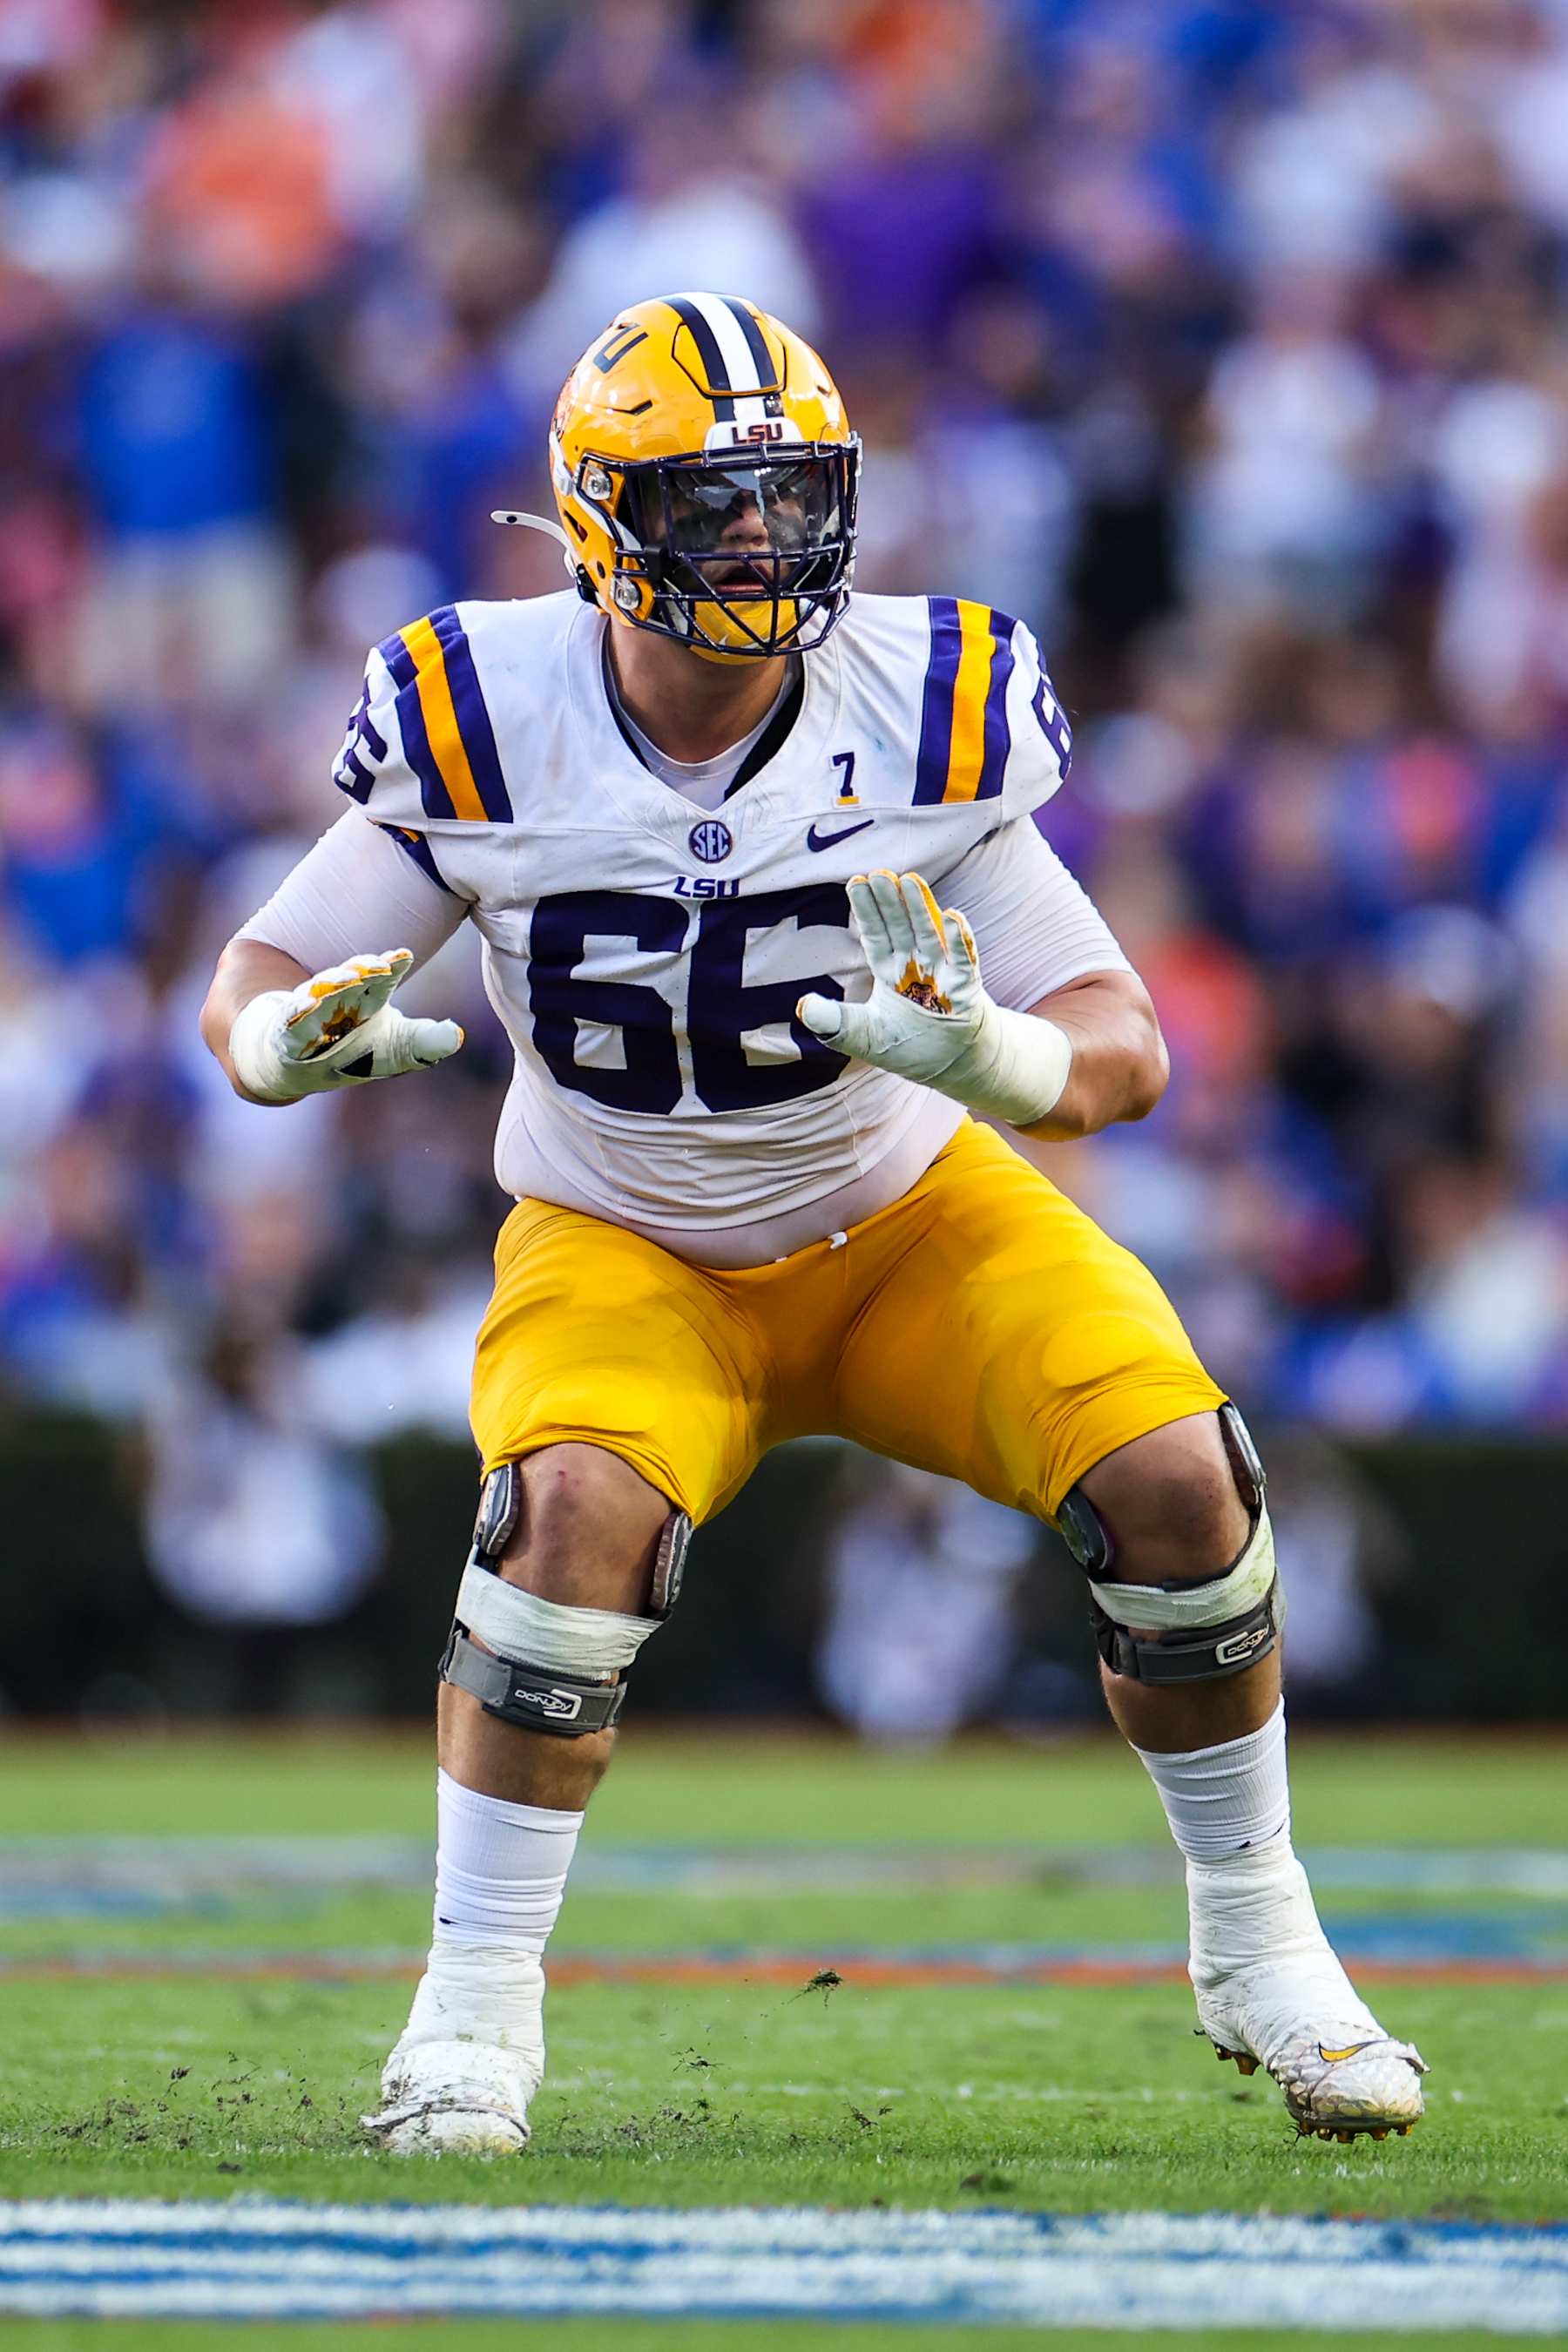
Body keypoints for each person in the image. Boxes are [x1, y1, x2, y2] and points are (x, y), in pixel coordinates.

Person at [200, 293, 1426, 2154]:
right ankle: (468, 2016)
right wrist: (274, 1043)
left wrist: (1000, 1062)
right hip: (623, 1239)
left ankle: (1265, 1950)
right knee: (565, 1529)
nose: (767, 544)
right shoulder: (485, 708)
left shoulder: (916, 703)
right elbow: (269, 960)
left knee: (1185, 1478)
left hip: (906, 1210)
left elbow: (1127, 1044)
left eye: (791, 498)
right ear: (605, 517)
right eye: (715, 504)